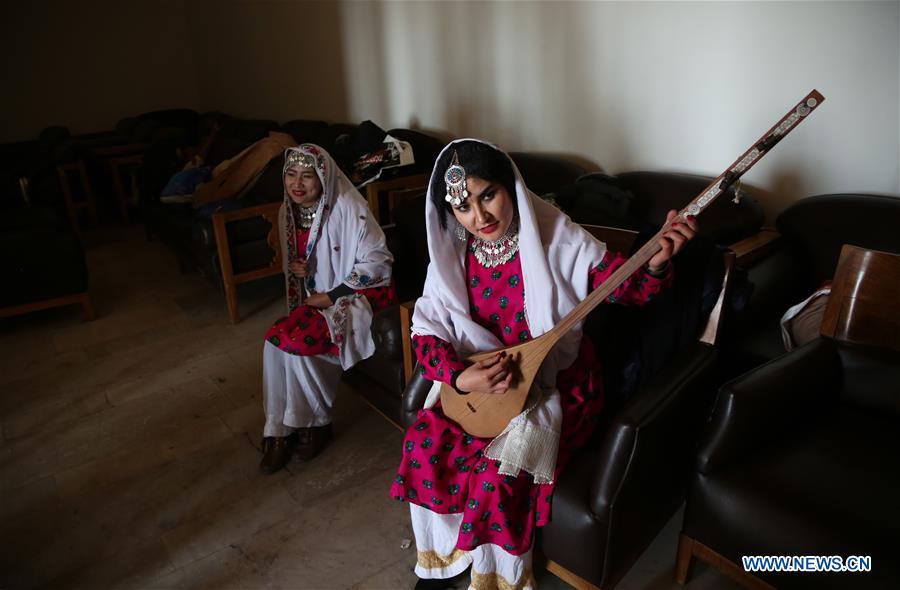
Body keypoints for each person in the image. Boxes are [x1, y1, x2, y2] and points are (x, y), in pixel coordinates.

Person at [389, 140, 697, 589]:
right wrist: (459, 374)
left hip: (555, 385)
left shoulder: (556, 236)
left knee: (500, 474)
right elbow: (428, 330)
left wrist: (653, 265)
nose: (481, 218)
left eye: (488, 195)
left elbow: (623, 288)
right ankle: (444, 563)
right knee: (422, 444)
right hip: (480, 386)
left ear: (510, 186)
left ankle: (495, 579)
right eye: (462, 206)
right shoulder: (453, 253)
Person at [260, 144, 396, 474]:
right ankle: (279, 428)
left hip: (359, 295)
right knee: (274, 341)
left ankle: (315, 424)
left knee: (297, 343)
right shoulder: (287, 212)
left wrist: (332, 294)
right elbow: (310, 265)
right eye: (291, 174)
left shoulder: (349, 207)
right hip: (319, 296)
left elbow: (380, 264)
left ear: (324, 178)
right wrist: (302, 272)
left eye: (308, 176)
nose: (298, 183)